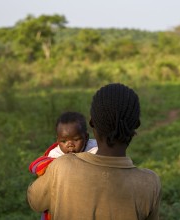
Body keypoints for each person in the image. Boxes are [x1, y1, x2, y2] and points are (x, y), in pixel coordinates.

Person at [27, 83, 162, 220]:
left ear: (92, 123)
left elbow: (35, 201)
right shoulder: (150, 183)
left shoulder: (61, 167)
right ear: (136, 126)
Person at [28, 111, 98, 219]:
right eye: (64, 141)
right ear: (57, 140)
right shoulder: (55, 155)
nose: (70, 145)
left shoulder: (94, 149)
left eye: (76, 139)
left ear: (86, 137)